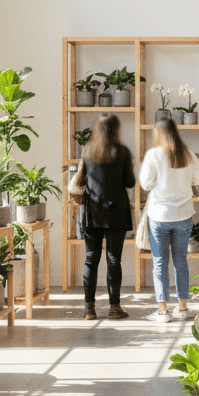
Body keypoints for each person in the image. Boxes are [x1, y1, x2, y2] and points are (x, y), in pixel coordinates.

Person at [138, 118, 199, 322]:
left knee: (160, 262)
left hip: (159, 216)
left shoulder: (154, 154)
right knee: (180, 260)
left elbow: (145, 184)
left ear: (158, 134)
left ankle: (162, 311)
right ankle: (182, 308)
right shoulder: (188, 153)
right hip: (183, 215)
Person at [75, 114, 135, 320]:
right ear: (116, 129)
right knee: (113, 260)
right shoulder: (123, 151)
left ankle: (89, 309)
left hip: (93, 211)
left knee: (91, 259)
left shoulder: (88, 151)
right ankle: (114, 308)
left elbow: (80, 179)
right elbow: (130, 182)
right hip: (116, 211)